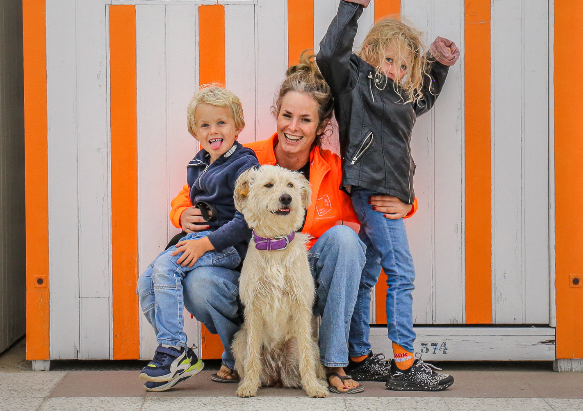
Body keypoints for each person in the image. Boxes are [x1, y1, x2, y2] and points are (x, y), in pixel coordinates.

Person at [171, 58, 414, 393]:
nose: (293, 127)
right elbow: (196, 190)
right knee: (199, 284)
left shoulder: (334, 170)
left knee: (346, 240)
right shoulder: (246, 158)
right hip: (253, 274)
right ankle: (240, 357)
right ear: (277, 115)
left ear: (320, 126)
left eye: (305, 119)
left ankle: (332, 361)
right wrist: (181, 212)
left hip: (305, 281)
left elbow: (371, 203)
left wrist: (406, 203)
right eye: (287, 115)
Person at [316, 0, 459, 392]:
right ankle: (404, 362)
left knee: (369, 272)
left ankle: (358, 355)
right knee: (403, 273)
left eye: (403, 64)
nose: (394, 69)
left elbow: (424, 96)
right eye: (389, 59)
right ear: (371, 53)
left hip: (389, 194)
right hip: (372, 193)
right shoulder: (355, 83)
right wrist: (350, 8)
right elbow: (329, 54)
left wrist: (438, 63)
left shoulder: (402, 95)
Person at [137, 85, 259, 391]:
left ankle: (173, 348)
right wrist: (186, 219)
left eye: (221, 123)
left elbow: (246, 221)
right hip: (201, 239)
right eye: (205, 125)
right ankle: (179, 353)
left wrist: (204, 243)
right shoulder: (199, 163)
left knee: (167, 268)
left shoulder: (244, 164)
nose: (213, 130)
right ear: (195, 130)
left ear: (238, 126)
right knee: (145, 282)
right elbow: (197, 207)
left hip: (227, 246)